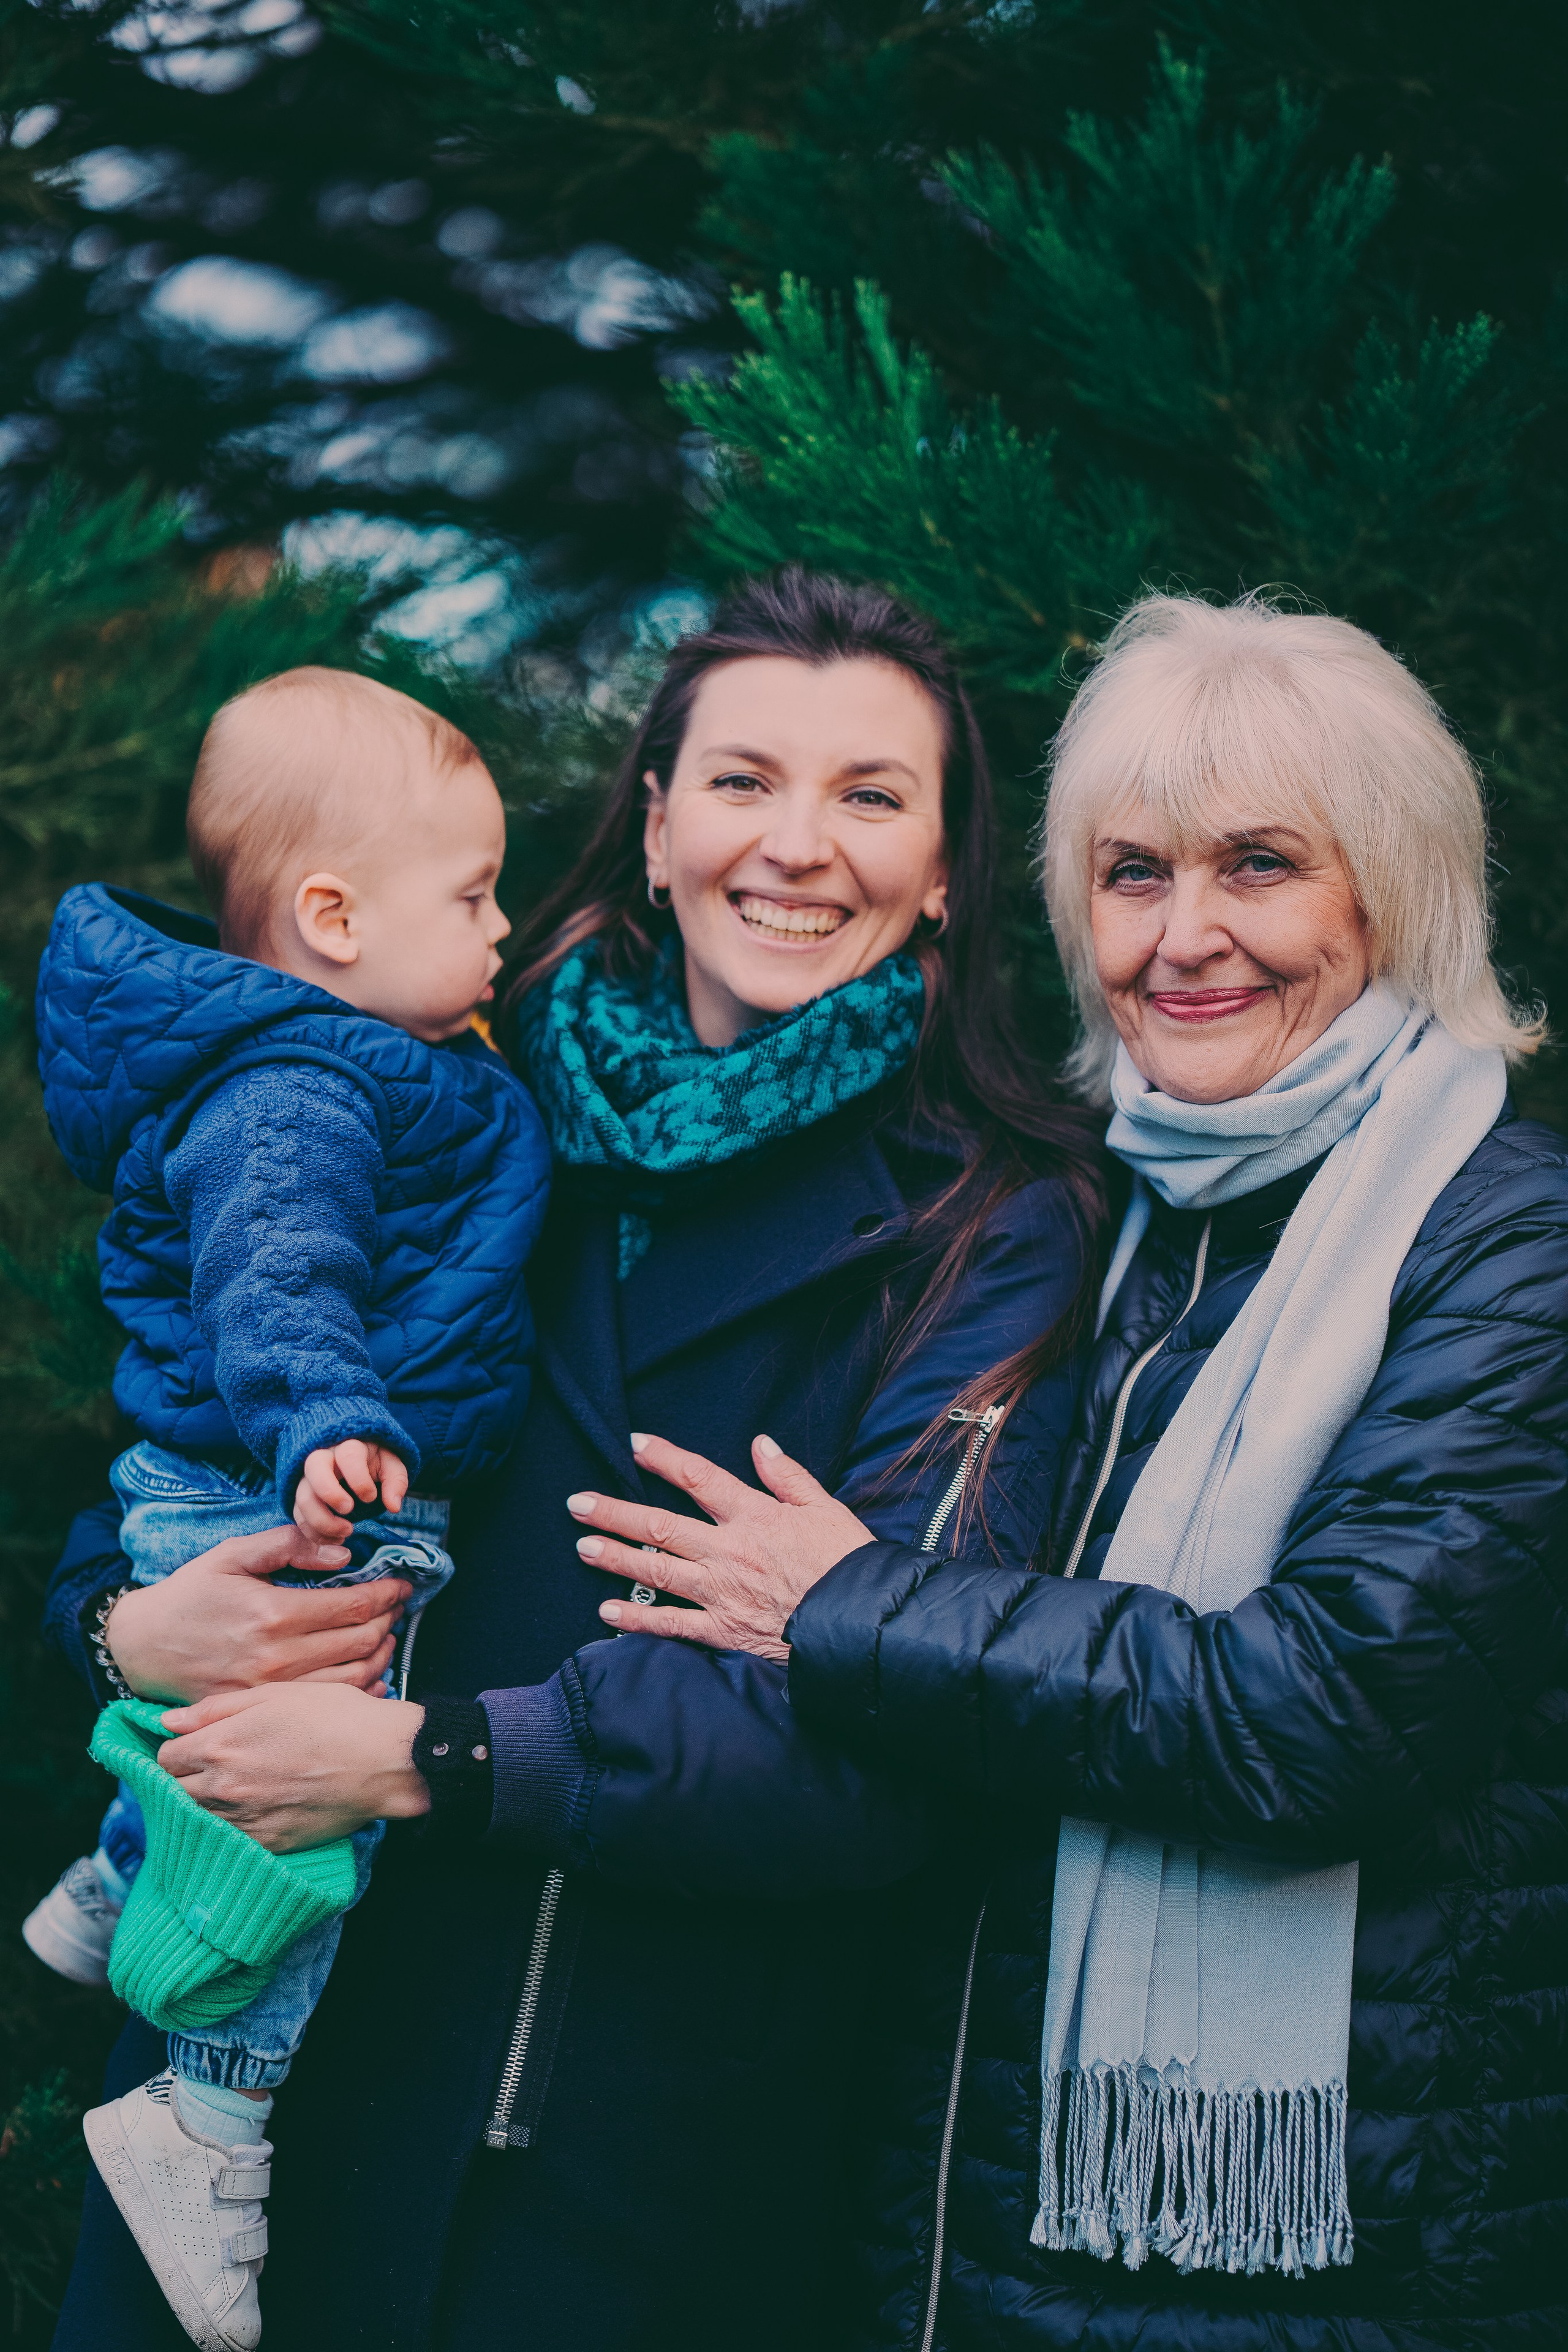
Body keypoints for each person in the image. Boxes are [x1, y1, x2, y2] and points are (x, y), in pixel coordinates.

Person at [44, 569, 1106, 2351]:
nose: (798, 844)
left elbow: (902, 1739)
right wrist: (126, 1634)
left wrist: (419, 1755)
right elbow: (181, 1448)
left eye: (872, 795)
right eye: (746, 779)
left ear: (943, 872)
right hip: (247, 2105)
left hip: (634, 2172)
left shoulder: (991, 1225)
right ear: (658, 815)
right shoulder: (443, 1093)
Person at [561, 595, 1568, 2349]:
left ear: (1388, 891)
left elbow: (1327, 1711)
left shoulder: (1509, 1243)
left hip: (1323, 2251)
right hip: (968, 2217)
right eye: (1131, 874)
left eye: (1259, 867)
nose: (1185, 938)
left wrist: (848, 1603)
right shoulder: (1089, 1218)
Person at [26, 668, 550, 2352]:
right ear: (331, 916)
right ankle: (209, 2123)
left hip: (266, 1487)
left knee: (245, 1771)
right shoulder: (302, 1086)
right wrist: (331, 1419)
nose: (502, 925)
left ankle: (120, 1879)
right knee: (303, 1832)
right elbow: (281, 1274)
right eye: (472, 896)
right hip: (292, 1495)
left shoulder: (374, 1052)